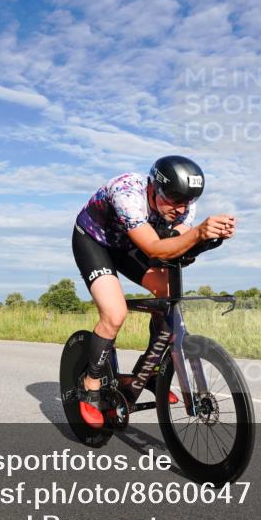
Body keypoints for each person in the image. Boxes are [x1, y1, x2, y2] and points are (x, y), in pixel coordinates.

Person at [71, 155, 235, 428]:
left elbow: (175, 245)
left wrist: (207, 239)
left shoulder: (184, 206)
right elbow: (154, 248)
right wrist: (198, 233)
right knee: (114, 313)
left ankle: (148, 370)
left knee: (168, 293)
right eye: (173, 200)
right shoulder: (127, 192)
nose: (179, 208)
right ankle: (90, 383)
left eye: (186, 202)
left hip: (129, 246)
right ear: (154, 188)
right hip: (95, 242)